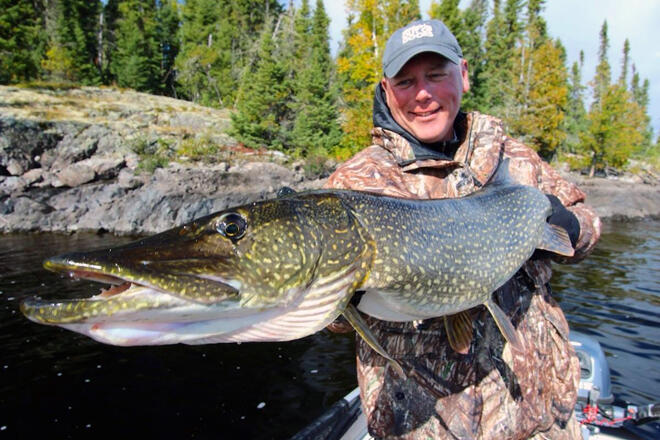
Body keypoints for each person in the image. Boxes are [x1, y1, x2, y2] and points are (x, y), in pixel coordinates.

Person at [324, 19, 601, 439]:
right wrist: (343, 291)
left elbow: (587, 227)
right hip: (425, 429)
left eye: (436, 75)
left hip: (545, 419)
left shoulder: (517, 158)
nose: (423, 94)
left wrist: (563, 223)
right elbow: (331, 320)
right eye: (405, 81)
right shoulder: (357, 183)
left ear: (464, 75)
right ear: (385, 89)